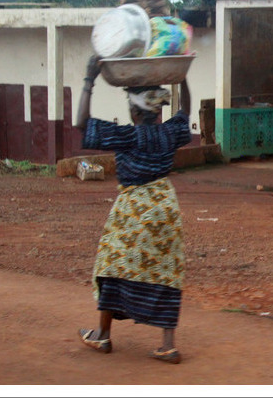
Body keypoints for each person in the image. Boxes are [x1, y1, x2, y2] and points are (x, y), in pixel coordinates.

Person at [74, 55, 192, 363]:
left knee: (110, 267)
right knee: (166, 272)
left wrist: (90, 79)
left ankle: (103, 335)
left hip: (133, 212)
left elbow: (80, 124)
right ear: (157, 110)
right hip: (165, 209)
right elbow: (186, 112)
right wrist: (183, 77)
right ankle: (168, 344)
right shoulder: (170, 133)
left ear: (133, 110)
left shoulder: (126, 135)